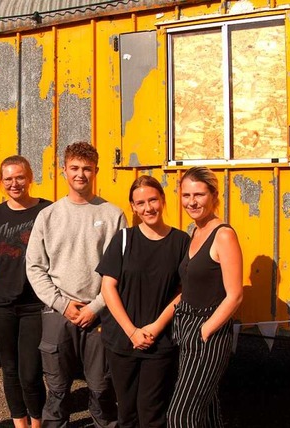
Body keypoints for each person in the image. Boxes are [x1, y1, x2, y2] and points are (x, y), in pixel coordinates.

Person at [26, 142, 126, 428]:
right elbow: (35, 267)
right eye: (74, 168)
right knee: (56, 391)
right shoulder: (48, 216)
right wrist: (63, 304)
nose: (80, 174)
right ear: (64, 171)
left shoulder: (112, 215)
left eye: (86, 169)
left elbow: (119, 270)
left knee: (101, 388)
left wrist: (95, 307)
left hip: (100, 315)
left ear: (96, 171)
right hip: (58, 314)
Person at [97, 175, 190, 428]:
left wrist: (155, 327)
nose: (148, 208)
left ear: (162, 200)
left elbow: (184, 291)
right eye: (141, 203)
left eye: (153, 200)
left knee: (152, 413)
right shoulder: (124, 239)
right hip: (122, 340)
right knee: (126, 413)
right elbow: (108, 287)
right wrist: (132, 331)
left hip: (159, 342)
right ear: (133, 207)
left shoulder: (181, 242)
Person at [167, 166, 243, 428]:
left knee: (180, 415)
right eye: (186, 195)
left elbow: (234, 295)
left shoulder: (223, 234)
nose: (192, 201)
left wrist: (206, 330)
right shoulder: (195, 231)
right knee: (207, 412)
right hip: (187, 325)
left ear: (214, 194)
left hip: (208, 332)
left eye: (198, 194)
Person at [0, 155, 51, 428]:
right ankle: (19, 423)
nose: (14, 183)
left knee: (30, 371)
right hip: (0, 304)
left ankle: (37, 422)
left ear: (30, 177)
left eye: (19, 177)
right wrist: (1, 282)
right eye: (8, 178)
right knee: (9, 369)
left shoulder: (46, 211)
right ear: (1, 182)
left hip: (34, 304)